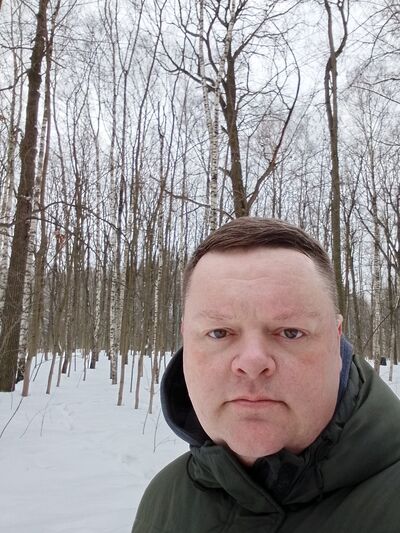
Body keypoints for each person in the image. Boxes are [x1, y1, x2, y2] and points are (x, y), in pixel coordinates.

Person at [132, 217, 400, 533]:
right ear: (186, 341)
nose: (252, 362)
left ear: (336, 338)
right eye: (219, 332)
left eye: (290, 332)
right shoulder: (165, 500)